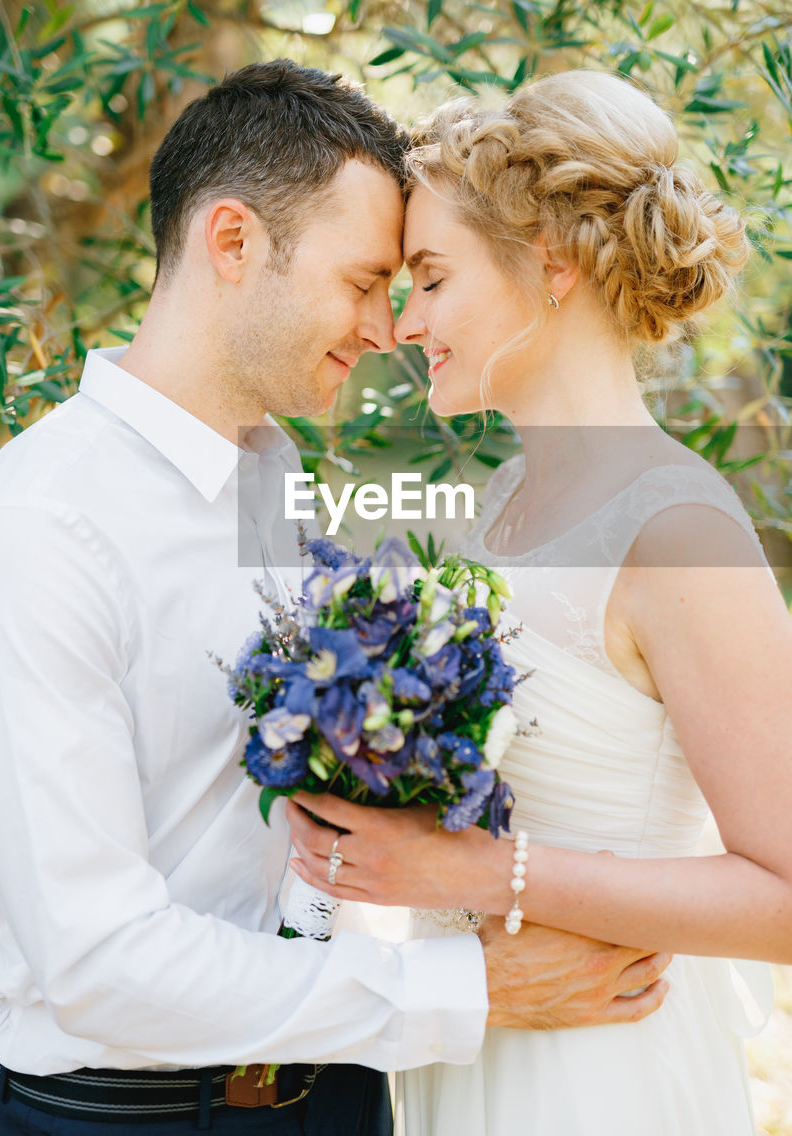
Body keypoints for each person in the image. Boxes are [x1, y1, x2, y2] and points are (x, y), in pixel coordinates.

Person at [0, 61, 671, 1136]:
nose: (386, 328)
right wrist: (468, 989)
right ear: (231, 243)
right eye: (364, 280)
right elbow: (96, 960)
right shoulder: (39, 527)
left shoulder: (278, 476)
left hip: (341, 1092)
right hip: (136, 1117)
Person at [285, 69, 792, 1135]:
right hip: (475, 1041)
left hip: (605, 1068)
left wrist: (479, 866)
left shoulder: (677, 530)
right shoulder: (500, 500)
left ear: (550, 266)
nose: (404, 321)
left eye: (429, 278)